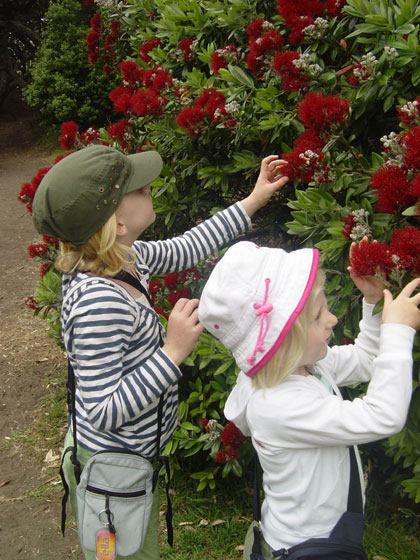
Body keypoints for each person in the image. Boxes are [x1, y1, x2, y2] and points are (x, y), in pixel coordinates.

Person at [31, 144, 289, 560]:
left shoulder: (123, 259)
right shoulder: (100, 301)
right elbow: (103, 408)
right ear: (115, 222)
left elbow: (187, 246)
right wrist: (172, 352)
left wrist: (254, 199)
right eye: (136, 187)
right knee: (128, 551)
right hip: (113, 469)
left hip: (133, 457)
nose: (148, 185)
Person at [198, 240, 420, 559]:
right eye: (318, 315)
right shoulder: (279, 404)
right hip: (311, 546)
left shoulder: (304, 366)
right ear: (282, 339)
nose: (331, 319)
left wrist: (372, 302)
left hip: (318, 532)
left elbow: (367, 358)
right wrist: (398, 333)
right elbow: (384, 416)